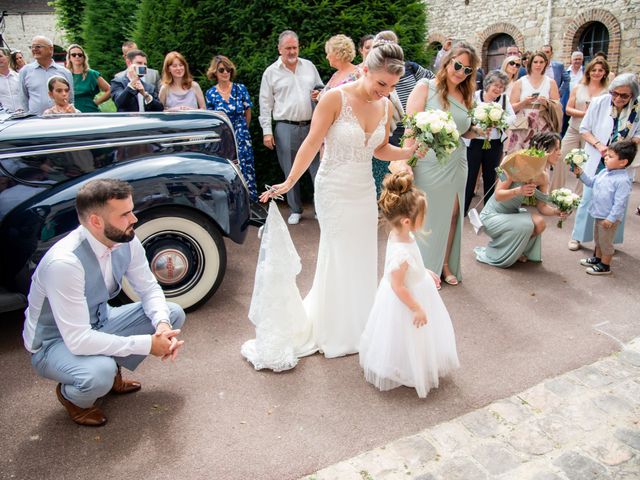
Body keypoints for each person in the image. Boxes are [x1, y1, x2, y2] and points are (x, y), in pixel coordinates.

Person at [260, 40, 416, 358]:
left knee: (361, 255)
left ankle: (359, 323)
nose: (385, 92)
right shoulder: (334, 99)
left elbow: (379, 148)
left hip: (362, 192)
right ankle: (334, 327)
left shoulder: (385, 106)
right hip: (333, 190)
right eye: (381, 83)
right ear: (365, 70)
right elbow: (311, 143)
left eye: (392, 86)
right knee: (339, 255)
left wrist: (409, 152)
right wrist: (289, 181)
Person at [22, 179, 186, 426]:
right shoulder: (65, 263)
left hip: (99, 322)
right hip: (54, 343)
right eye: (124, 214)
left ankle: (110, 367)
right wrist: (147, 344)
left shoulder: (125, 239)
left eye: (131, 210)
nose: (134, 219)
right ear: (96, 222)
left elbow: (149, 288)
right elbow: (77, 340)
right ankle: (73, 398)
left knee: (172, 313)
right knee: (99, 373)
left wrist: (161, 325)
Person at [359, 172, 458, 398]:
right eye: (422, 215)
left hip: (417, 286)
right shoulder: (400, 253)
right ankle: (403, 367)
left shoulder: (403, 236)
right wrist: (416, 307)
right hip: (406, 299)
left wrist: (425, 273)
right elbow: (398, 285)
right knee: (404, 334)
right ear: (407, 221)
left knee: (417, 337)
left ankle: (417, 361)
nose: (425, 218)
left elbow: (413, 265)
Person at [404, 41, 481, 286]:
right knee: (425, 213)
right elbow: (410, 127)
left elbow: (465, 132)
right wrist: (405, 162)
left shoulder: (467, 96)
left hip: (457, 161)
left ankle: (445, 264)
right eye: (458, 65)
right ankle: (421, 268)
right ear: (447, 62)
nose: (461, 72)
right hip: (428, 161)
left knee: (453, 214)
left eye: (467, 70)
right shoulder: (425, 86)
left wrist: (478, 130)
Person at [568, 73, 640, 251]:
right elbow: (585, 129)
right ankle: (578, 237)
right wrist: (600, 146)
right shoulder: (599, 102)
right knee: (588, 197)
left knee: (618, 201)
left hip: (622, 161)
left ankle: (609, 242)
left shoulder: (638, 108)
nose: (618, 98)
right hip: (597, 155)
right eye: (615, 93)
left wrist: (627, 144)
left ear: (633, 95)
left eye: (624, 95)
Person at [258, 30, 324, 225]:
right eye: (288, 48)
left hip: (312, 126)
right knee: (290, 170)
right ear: (280, 49)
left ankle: (320, 209)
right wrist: (267, 132)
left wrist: (318, 93)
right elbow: (265, 104)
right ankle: (295, 209)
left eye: (295, 47)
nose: (292, 51)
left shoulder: (309, 66)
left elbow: (322, 88)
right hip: (285, 127)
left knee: (318, 169)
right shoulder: (271, 72)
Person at [474, 132, 567, 268]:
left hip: (512, 214)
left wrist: (556, 212)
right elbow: (498, 195)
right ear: (544, 150)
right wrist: (518, 191)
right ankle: (501, 251)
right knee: (527, 224)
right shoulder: (515, 164)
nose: (559, 153)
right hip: (492, 216)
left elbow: (542, 207)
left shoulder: (543, 177)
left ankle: (515, 251)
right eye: (556, 149)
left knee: (539, 223)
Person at [572, 140, 636, 275]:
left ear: (623, 162)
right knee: (598, 239)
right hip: (599, 213)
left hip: (608, 218)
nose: (606, 158)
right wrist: (581, 174)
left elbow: (620, 203)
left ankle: (605, 266)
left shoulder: (622, 181)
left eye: (611, 156)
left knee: (606, 243)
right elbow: (591, 183)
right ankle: (597, 259)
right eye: (606, 155)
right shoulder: (603, 172)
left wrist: (611, 218)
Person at [551, 58, 609, 192]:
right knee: (561, 158)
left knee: (586, 165)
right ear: (588, 72)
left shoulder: (607, 92)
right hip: (574, 129)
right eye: (594, 70)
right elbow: (568, 109)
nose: (597, 73)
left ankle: (579, 196)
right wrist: (584, 113)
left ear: (605, 73)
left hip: (592, 133)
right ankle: (555, 192)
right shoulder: (578, 87)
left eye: (600, 70)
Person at [205, 55, 257, 201]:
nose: (225, 72)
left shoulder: (240, 89)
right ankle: (232, 202)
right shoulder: (211, 93)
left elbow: (248, 112)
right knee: (228, 170)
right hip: (223, 138)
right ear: (215, 72)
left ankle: (250, 203)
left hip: (241, 135)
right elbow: (212, 119)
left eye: (228, 69)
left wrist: (242, 131)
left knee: (246, 169)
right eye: (221, 69)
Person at [464, 70, 516, 215]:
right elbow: (466, 114)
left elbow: (512, 118)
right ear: (488, 84)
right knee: (470, 175)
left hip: (494, 143)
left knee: (490, 176)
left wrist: (498, 122)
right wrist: (479, 125)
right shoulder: (475, 97)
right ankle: (463, 208)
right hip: (475, 142)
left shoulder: (504, 99)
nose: (498, 89)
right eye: (496, 85)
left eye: (502, 87)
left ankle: (488, 210)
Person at [507, 51, 561, 153]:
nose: (538, 65)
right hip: (523, 124)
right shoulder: (520, 82)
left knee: (541, 154)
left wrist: (546, 102)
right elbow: (511, 108)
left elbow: (557, 105)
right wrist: (524, 102)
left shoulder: (551, 82)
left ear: (546, 63)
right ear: (530, 63)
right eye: (535, 62)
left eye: (541, 62)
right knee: (519, 156)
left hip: (543, 123)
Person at [19, 36, 74, 115]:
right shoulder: (25, 71)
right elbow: (23, 98)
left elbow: (70, 98)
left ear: (50, 49)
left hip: (60, 120)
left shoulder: (65, 72)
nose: (34, 49)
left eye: (38, 46)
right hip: (36, 121)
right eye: (32, 47)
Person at [65, 44, 111, 113]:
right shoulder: (65, 75)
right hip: (70, 112)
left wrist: (96, 102)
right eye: (73, 55)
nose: (77, 56)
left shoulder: (92, 74)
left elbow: (110, 90)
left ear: (84, 57)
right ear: (69, 58)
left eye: (80, 55)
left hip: (90, 111)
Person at [0, 48, 21, 113]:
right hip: (4, 118)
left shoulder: (19, 77)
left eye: (0, 56)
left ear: (8, 58)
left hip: (22, 115)